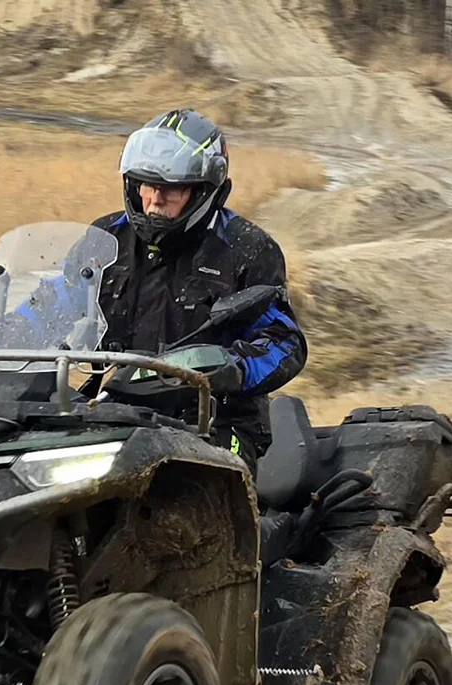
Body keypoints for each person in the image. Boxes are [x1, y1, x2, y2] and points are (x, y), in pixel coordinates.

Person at [90, 108, 307, 463]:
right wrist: (6, 328)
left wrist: (234, 368)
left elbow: (285, 343)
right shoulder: (105, 238)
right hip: (118, 411)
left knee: (187, 480)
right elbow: (55, 305)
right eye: (147, 185)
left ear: (204, 191)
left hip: (216, 420)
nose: (155, 199)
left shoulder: (247, 249)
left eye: (171, 189)